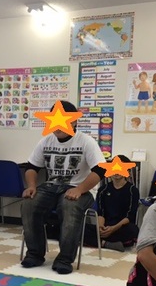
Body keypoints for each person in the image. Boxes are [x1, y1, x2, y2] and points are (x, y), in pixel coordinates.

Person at [21, 100, 106, 275]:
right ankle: (35, 254)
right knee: (29, 203)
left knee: (69, 206)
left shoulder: (86, 141)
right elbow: (32, 167)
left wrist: (80, 189)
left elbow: (100, 170)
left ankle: (64, 259)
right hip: (51, 186)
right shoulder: (46, 141)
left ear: (73, 121)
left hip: (80, 188)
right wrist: (31, 186)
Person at [84, 154, 139, 252]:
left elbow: (130, 216)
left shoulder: (132, 190)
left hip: (121, 226)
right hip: (106, 225)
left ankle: (100, 242)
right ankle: (106, 243)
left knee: (133, 230)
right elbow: (101, 212)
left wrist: (113, 229)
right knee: (82, 228)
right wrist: (100, 227)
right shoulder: (103, 190)